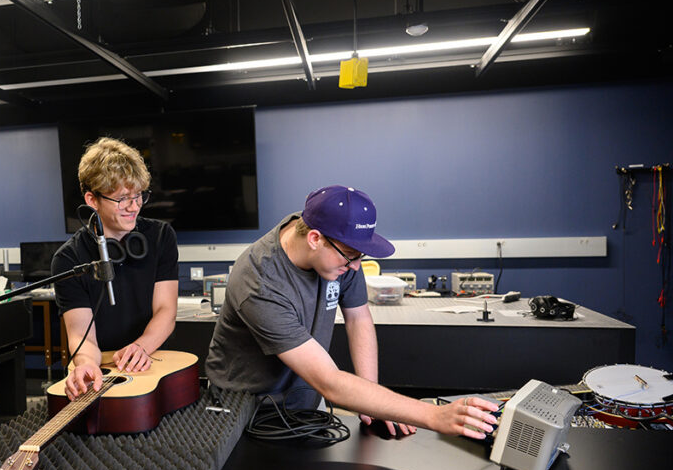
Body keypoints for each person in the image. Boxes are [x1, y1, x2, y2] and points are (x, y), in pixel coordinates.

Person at [206, 185, 498, 438]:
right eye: (352, 257)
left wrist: (372, 401)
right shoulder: (259, 280)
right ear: (314, 239)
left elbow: (358, 319)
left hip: (304, 403)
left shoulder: (339, 249)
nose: (356, 267)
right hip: (247, 413)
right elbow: (330, 382)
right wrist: (434, 416)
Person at [51, 137, 179, 398]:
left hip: (152, 356)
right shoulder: (68, 260)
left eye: (138, 196)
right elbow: (81, 335)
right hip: (106, 366)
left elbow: (166, 311)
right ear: (92, 199)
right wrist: (86, 365)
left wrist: (142, 347)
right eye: (122, 199)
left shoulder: (161, 236)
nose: (134, 206)